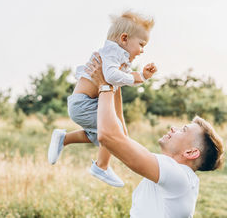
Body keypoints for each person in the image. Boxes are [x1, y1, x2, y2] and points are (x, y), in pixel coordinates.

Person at [83, 53, 225, 217]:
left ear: (191, 152)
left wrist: (104, 85)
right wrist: (116, 83)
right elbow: (121, 137)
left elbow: (108, 137)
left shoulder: (178, 176)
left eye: (183, 130)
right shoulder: (178, 176)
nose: (173, 128)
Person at [47, 11, 157, 187]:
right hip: (83, 105)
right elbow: (112, 76)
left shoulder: (116, 55)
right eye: (142, 44)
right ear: (124, 39)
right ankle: (102, 166)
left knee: (99, 136)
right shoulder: (112, 53)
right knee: (112, 130)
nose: (142, 50)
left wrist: (142, 76)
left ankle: (64, 139)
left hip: (86, 103)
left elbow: (118, 78)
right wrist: (135, 78)